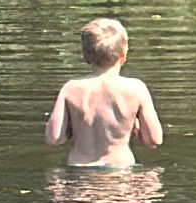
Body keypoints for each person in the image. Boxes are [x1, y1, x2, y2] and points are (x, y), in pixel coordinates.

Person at [45, 16, 165, 169]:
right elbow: (154, 140)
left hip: (79, 172)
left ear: (86, 56)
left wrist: (74, 127)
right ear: (123, 55)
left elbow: (53, 138)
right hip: (120, 171)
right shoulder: (136, 88)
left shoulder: (71, 89)